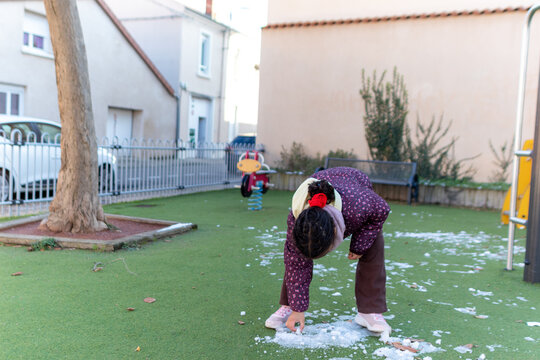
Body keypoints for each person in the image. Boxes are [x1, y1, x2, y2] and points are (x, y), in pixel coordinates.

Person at [264, 167, 391, 334]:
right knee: (295, 260)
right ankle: (289, 306)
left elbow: (381, 210)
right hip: (322, 188)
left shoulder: (360, 205)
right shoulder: (297, 220)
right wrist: (298, 309)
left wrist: (359, 246)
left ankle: (369, 311)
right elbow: (296, 265)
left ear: (336, 233)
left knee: (373, 245)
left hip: (354, 186)